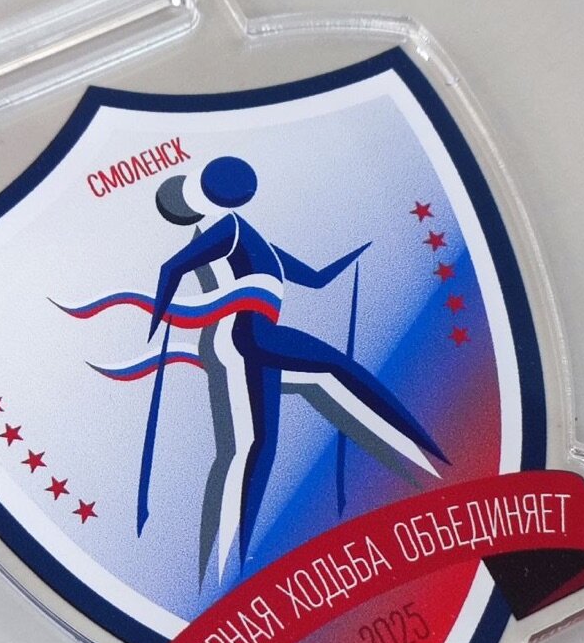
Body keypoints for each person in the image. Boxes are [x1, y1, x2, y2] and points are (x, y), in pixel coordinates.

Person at [150, 156, 447, 579]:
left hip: (259, 335)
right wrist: (155, 323)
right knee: (330, 376)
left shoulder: (252, 237)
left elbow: (315, 278)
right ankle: (221, 565)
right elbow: (171, 267)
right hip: (244, 335)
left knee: (261, 445)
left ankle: (233, 561)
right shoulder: (225, 229)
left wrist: (358, 253)